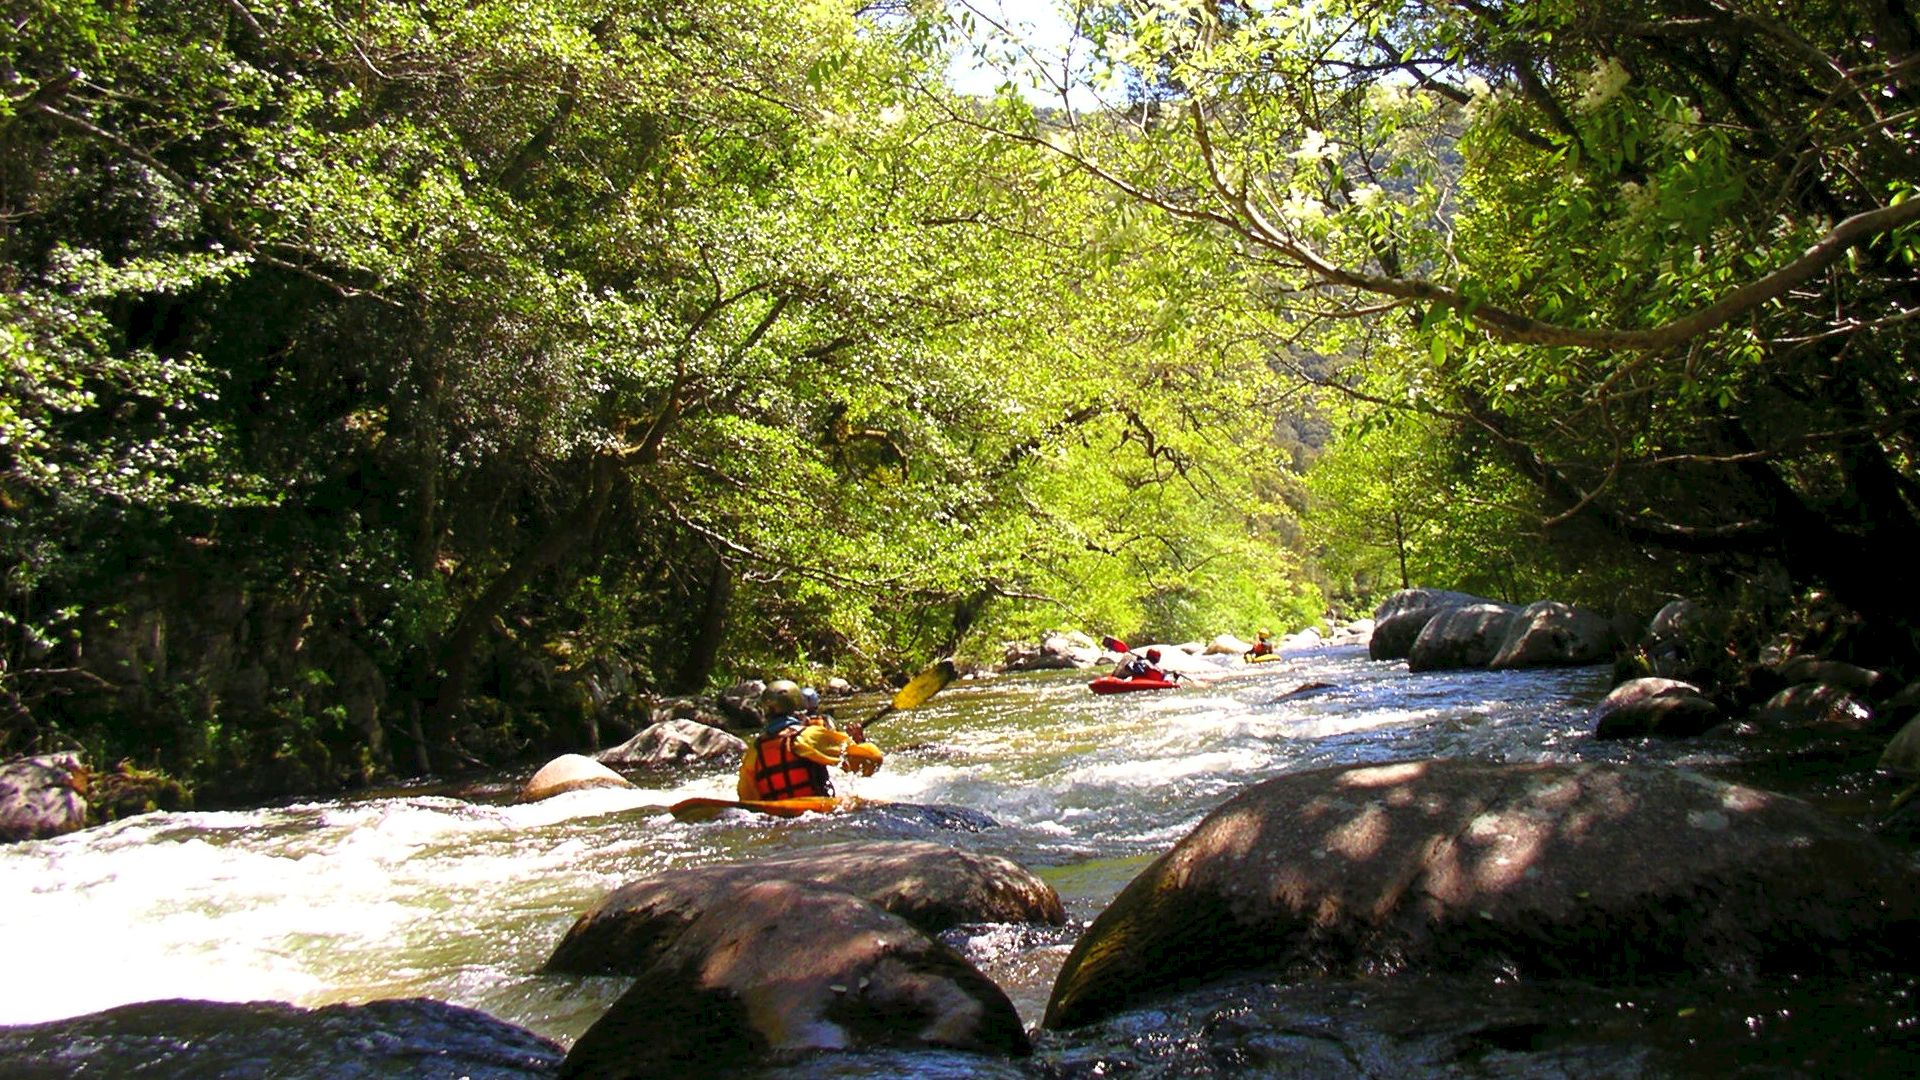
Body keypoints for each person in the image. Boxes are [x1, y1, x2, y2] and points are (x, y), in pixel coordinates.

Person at [737, 679, 884, 801]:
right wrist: (859, 743)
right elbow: (872, 760)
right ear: (797, 706)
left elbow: (747, 798)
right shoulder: (808, 736)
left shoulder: (754, 750)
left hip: (774, 819)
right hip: (816, 815)